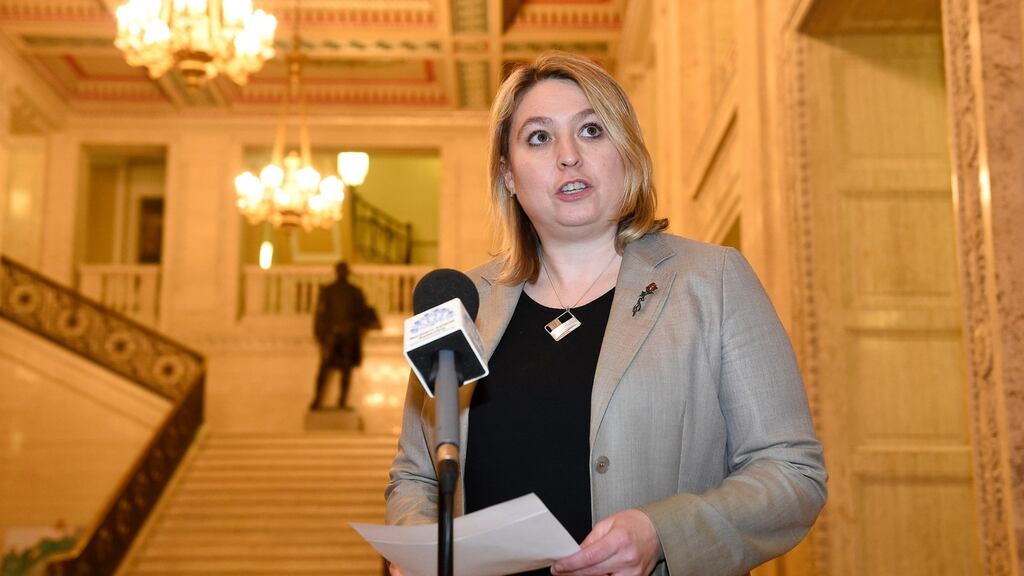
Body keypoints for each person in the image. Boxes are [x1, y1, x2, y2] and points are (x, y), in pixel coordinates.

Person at [385, 52, 827, 576]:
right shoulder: (461, 304)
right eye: (539, 137)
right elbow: (415, 478)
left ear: (627, 152)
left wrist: (662, 532)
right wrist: (417, 548)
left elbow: (791, 472)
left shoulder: (712, 281)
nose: (568, 156)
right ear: (508, 174)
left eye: (591, 130)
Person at [311, 261, 379, 410]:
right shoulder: (347, 291)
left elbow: (320, 315)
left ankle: (333, 401)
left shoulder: (347, 291)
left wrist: (319, 334)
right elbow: (321, 314)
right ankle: (324, 401)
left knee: (338, 369)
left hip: (341, 335)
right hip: (341, 335)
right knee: (333, 369)